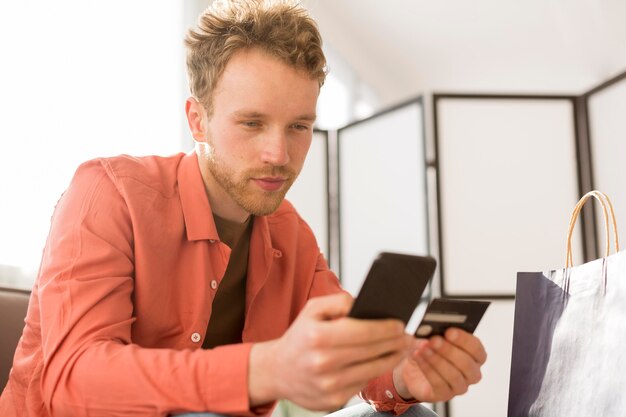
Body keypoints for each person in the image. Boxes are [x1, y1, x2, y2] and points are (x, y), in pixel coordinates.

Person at [0, 0, 487, 416]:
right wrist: (263, 370)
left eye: (299, 126)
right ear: (198, 119)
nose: (279, 154)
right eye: (252, 123)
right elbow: (74, 381)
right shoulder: (108, 193)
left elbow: (348, 354)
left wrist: (405, 375)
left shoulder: (289, 232)